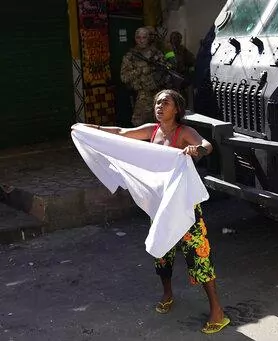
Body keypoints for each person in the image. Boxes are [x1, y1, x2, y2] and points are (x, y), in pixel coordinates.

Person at [73, 89, 230, 334]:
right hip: (160, 205)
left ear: (176, 108)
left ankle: (217, 312)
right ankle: (167, 294)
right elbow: (122, 134)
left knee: (198, 256)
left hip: (185, 205)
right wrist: (91, 128)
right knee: (162, 251)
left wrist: (195, 149)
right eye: (157, 102)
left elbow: (207, 145)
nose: (158, 106)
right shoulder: (152, 130)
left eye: (164, 102)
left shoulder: (184, 132)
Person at [120, 27, 165, 126]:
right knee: (140, 125)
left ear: (148, 38)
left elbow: (165, 71)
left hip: (159, 93)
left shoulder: (157, 54)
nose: (141, 40)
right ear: (135, 39)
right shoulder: (130, 56)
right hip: (142, 96)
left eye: (144, 37)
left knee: (161, 124)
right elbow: (124, 77)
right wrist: (140, 70)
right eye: (138, 37)